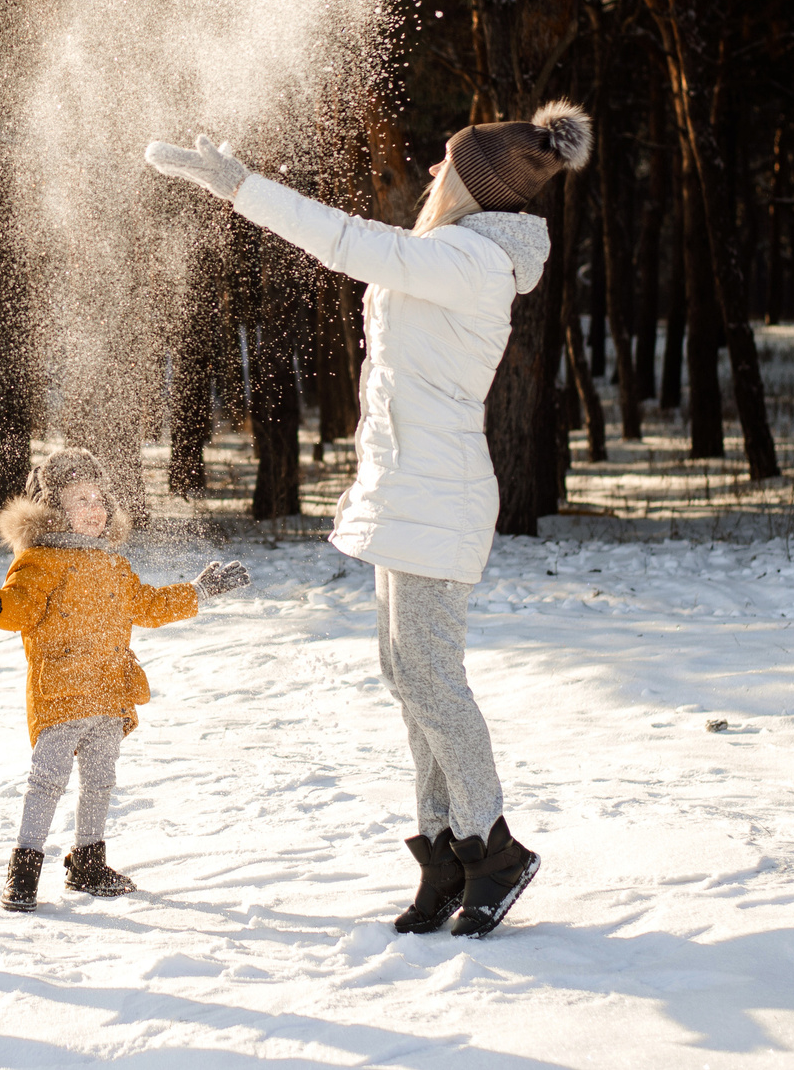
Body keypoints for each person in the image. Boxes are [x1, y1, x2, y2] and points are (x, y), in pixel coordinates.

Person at [144, 103, 590, 939]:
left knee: (430, 677)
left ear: (472, 187)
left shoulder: (468, 260)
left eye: (445, 166)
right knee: (405, 673)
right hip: (408, 488)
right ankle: (448, 854)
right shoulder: (451, 254)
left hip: (440, 494)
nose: (430, 173)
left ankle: (493, 846)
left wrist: (243, 188)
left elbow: (347, 242)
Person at [0, 447, 251, 912]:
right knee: (47, 781)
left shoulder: (114, 564)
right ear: (54, 510)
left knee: (101, 780)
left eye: (100, 499)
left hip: (109, 690)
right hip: (61, 691)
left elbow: (149, 606)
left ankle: (87, 861)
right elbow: (20, 607)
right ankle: (23, 874)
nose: (95, 508)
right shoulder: (40, 561)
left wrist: (200, 590)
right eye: (80, 500)